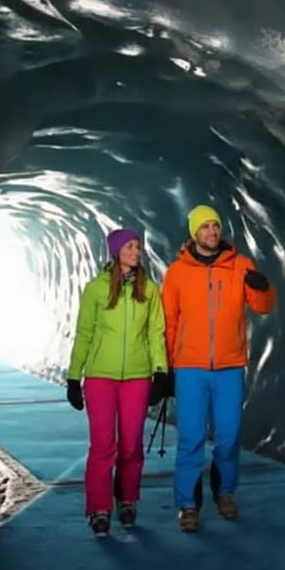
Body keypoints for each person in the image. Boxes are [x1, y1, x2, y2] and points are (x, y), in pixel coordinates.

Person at [161, 204, 276, 532]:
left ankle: (225, 492)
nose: (212, 231)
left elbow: (263, 307)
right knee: (191, 437)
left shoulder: (240, 266)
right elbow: (169, 321)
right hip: (190, 367)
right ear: (194, 233)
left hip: (229, 366)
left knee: (228, 436)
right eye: (205, 227)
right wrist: (166, 366)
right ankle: (186, 504)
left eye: (216, 225)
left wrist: (263, 287)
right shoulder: (177, 272)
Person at [66, 228, 169, 537]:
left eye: (138, 247)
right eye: (129, 247)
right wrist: (74, 377)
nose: (136, 252)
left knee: (131, 445)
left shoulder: (149, 290)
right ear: (116, 252)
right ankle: (99, 508)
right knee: (102, 446)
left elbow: (155, 333)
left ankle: (127, 500)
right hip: (100, 377)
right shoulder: (96, 289)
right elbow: (84, 333)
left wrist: (160, 371)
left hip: (137, 377)